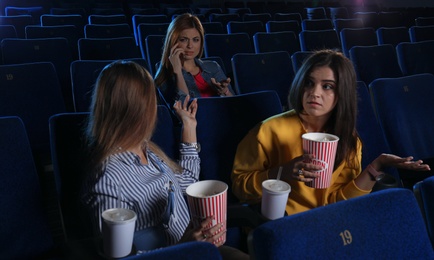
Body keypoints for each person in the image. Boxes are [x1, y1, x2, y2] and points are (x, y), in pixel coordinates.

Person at [231, 50, 431, 216]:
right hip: (285, 224)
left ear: (341, 94)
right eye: (309, 83)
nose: (314, 93)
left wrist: (376, 166)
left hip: (330, 222)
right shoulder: (268, 130)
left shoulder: (349, 139)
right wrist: (281, 173)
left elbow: (338, 200)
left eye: (327, 86)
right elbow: (240, 187)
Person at [81, 61, 248, 259]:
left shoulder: (147, 150)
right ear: (137, 108)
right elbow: (119, 257)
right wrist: (180, 248)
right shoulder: (108, 177)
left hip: (193, 251)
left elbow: (188, 183)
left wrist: (189, 126)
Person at [154, 13, 235, 107]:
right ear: (173, 42)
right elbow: (185, 111)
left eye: (195, 40)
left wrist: (225, 92)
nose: (190, 46)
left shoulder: (213, 67)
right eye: (183, 40)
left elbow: (234, 107)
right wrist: (178, 72)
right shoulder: (164, 78)